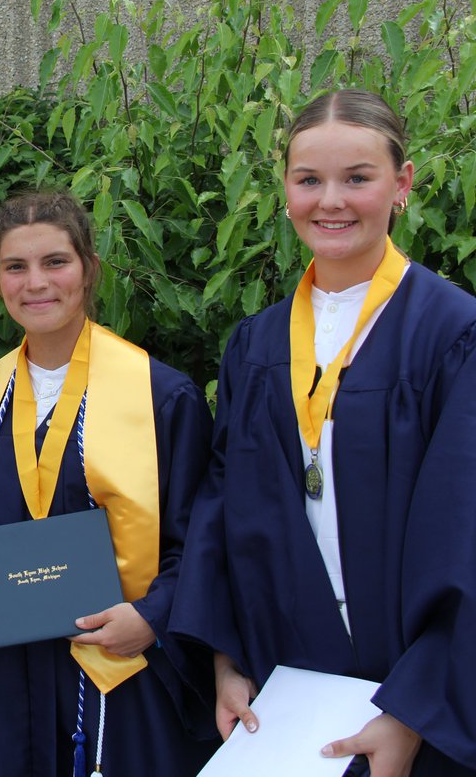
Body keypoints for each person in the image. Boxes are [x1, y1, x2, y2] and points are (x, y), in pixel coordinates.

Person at [170, 88, 476, 775]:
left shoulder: (452, 333)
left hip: (412, 700)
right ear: (285, 192)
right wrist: (227, 661)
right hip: (283, 698)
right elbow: (222, 508)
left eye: (357, 179)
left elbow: (466, 535)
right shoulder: (256, 343)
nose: (330, 201)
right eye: (309, 180)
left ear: (402, 184)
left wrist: (411, 713)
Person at [0, 192, 218, 776]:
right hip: (4, 673)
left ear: (89, 269)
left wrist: (154, 615)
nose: (36, 282)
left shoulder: (159, 396)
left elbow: (201, 540)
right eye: (15, 266)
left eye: (56, 262)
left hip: (118, 670)